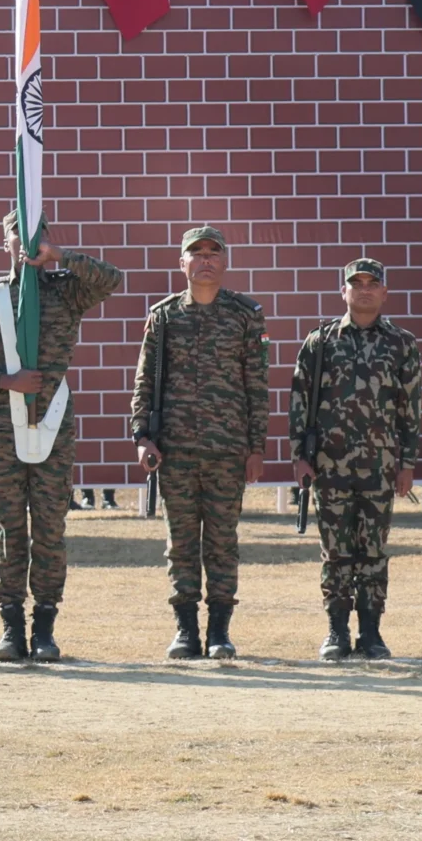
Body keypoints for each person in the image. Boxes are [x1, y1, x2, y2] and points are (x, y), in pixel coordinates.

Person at [0, 216, 121, 663]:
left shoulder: (67, 288)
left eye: (38, 232)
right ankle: (10, 626)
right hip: (2, 426)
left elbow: (114, 280)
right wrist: (4, 380)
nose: (27, 240)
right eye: (18, 232)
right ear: (4, 240)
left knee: (49, 527)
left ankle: (44, 627)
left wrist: (59, 256)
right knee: (7, 526)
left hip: (53, 424)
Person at [130, 227, 269, 660]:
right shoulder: (165, 316)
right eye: (196, 253)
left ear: (224, 262)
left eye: (213, 252)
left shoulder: (245, 316)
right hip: (176, 449)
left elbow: (257, 385)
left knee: (223, 541)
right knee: (182, 543)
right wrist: (142, 437)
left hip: (228, 450)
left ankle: (220, 632)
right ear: (182, 263)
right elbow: (145, 381)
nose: (205, 260)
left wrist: (256, 447)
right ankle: (186, 631)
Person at [288, 258, 422, 662]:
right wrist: (299, 457)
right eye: (355, 283)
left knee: (373, 552)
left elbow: (410, 408)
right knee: (336, 552)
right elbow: (299, 400)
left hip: (379, 468)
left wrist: (407, 463)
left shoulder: (401, 343)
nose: (364, 289)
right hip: (329, 467)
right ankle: (336, 632)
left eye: (372, 283)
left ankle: (371, 633)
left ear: (384, 292)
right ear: (343, 291)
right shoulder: (321, 342)